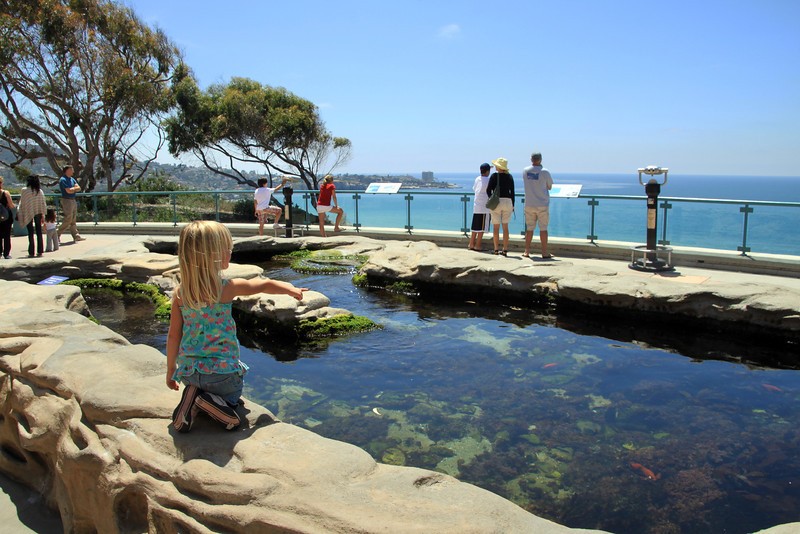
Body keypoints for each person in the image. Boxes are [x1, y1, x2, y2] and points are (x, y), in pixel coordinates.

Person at [166, 220, 308, 432]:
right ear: (213, 256)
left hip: (189, 372)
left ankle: (193, 397)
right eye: (227, 249)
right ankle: (211, 402)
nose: (230, 252)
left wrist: (171, 370)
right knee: (233, 404)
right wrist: (290, 289)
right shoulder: (226, 288)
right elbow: (263, 284)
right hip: (221, 375)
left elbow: (173, 336)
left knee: (201, 385)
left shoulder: (180, 294)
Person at [522, 152, 554, 259]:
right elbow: (550, 187)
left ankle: (526, 251)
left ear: (531, 159)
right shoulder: (545, 172)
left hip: (529, 204)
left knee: (529, 228)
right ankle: (544, 252)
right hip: (542, 204)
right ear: (540, 159)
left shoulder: (526, 171)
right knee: (543, 228)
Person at [486, 157, 515, 256]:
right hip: (508, 201)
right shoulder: (510, 176)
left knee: (496, 227)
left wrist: (492, 198)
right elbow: (512, 192)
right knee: (505, 227)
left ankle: (496, 250)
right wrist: (513, 205)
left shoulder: (494, 176)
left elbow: (488, 190)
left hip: (497, 202)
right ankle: (505, 249)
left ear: (498, 167)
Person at [17, 175, 47, 258]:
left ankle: (31, 251)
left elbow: (22, 203)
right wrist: (43, 215)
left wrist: (20, 211)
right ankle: (40, 251)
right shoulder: (39, 191)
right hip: (38, 212)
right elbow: (43, 204)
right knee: (39, 232)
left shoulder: (24, 190)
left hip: (28, 212)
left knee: (30, 232)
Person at [468, 163, 492, 251]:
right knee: (482, 228)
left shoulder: (477, 179)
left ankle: (471, 244)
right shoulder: (489, 180)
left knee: (475, 227)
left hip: (476, 206)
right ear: (488, 171)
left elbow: (474, 189)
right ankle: (478, 245)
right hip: (484, 207)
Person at [58, 165, 85, 243]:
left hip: (73, 200)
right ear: (67, 170)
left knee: (73, 219)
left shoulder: (72, 179)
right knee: (68, 218)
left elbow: (78, 188)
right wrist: (73, 189)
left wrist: (73, 189)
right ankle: (57, 233)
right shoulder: (63, 180)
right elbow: (68, 191)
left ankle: (76, 236)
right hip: (66, 200)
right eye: (71, 170)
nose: (73, 171)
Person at [0, 177, 15, 259]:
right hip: (6, 217)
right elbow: (11, 205)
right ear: (1, 183)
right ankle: (6, 253)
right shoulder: (5, 193)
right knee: (6, 235)